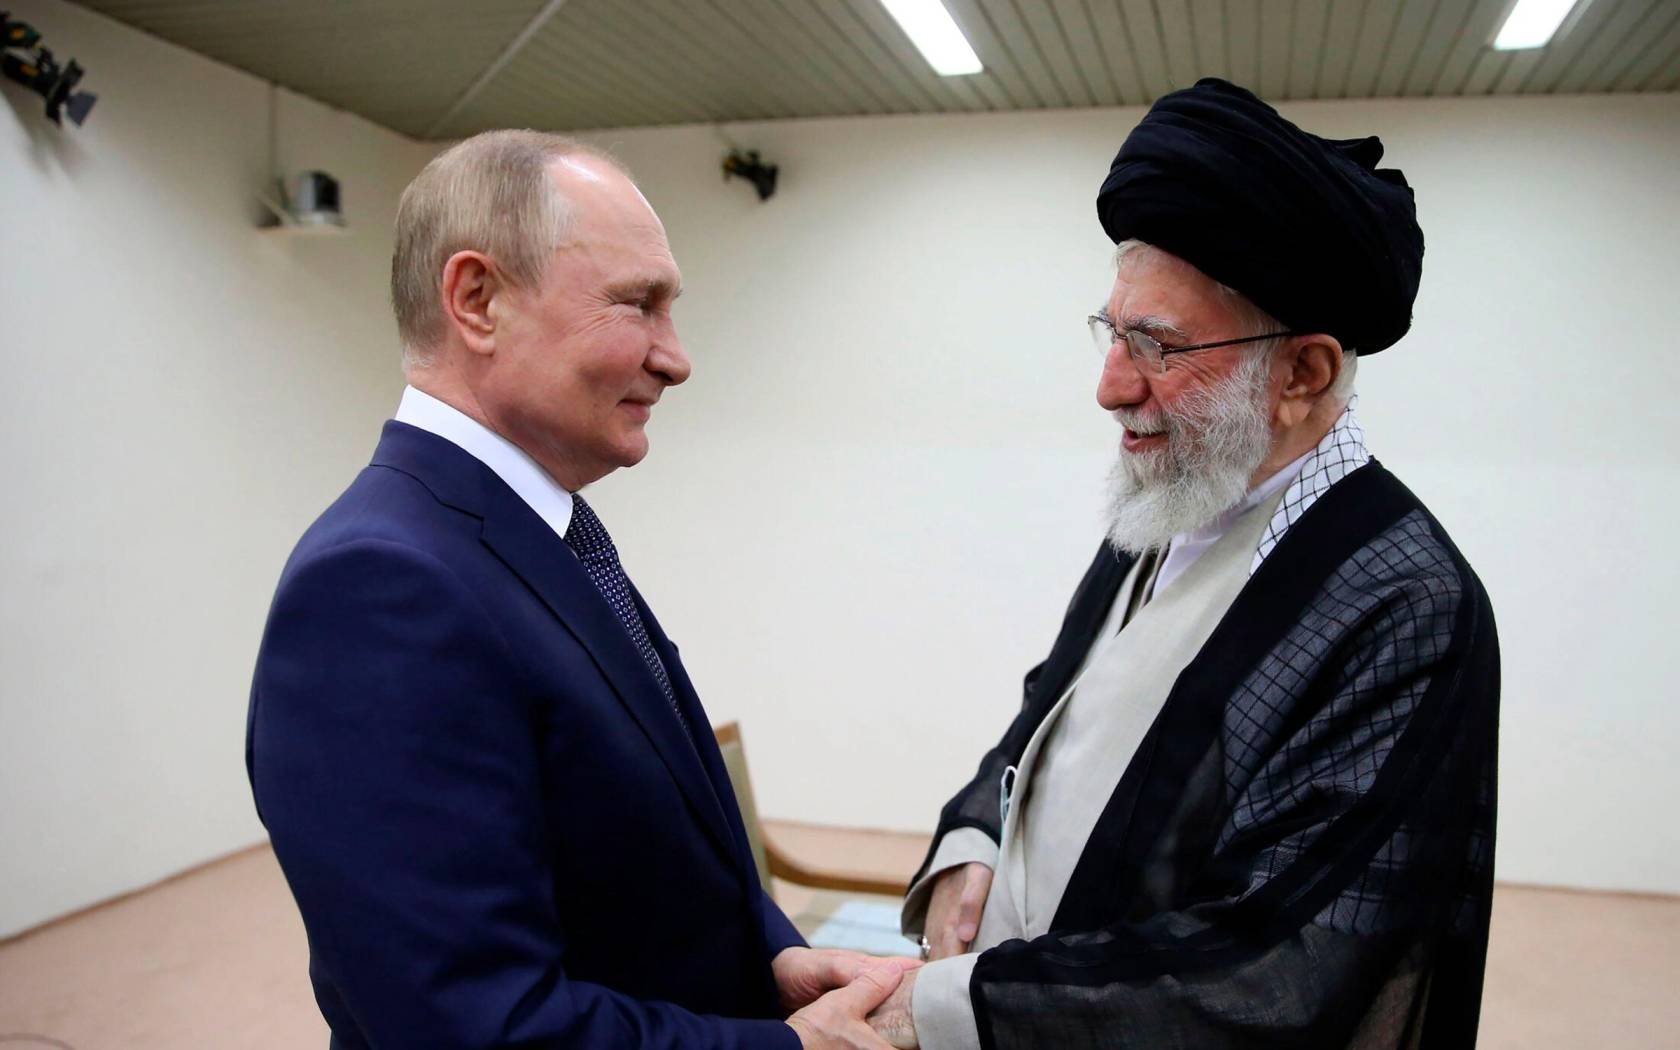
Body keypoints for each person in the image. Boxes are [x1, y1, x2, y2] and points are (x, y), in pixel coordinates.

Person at [247, 130, 912, 1050]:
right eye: (638, 305)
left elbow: (634, 844)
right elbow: (473, 1025)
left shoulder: (533, 530)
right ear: (476, 301)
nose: (676, 358)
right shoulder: (381, 587)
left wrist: (770, 961)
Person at [875, 79, 1500, 1049]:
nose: (1110, 386)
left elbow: (1282, 970)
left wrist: (939, 1011)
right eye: (1113, 332)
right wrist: (974, 842)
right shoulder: (1176, 494)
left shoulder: (1401, 601)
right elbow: (1053, 713)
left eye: (1159, 347)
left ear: (1304, 374)